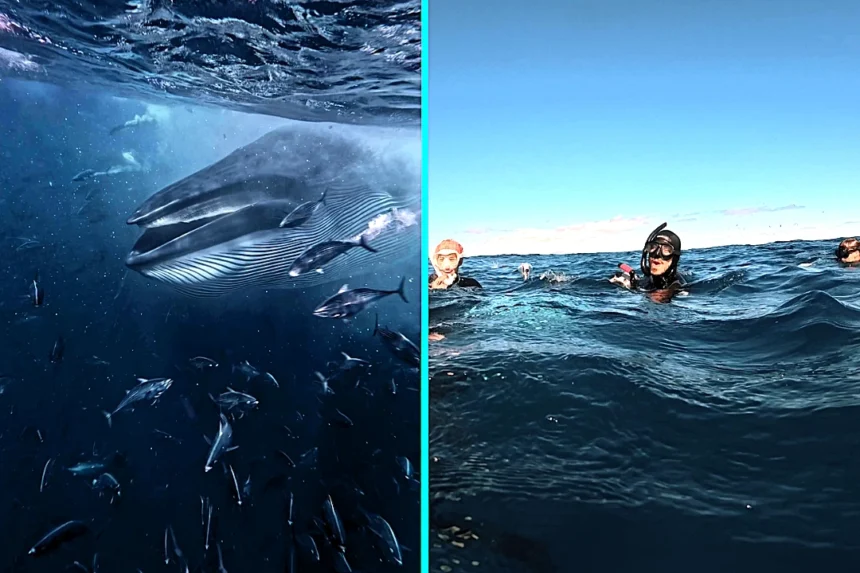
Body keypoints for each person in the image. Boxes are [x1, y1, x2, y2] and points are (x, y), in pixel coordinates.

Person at [611, 222, 685, 300]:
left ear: (675, 258)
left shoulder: (676, 287)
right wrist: (632, 285)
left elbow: (658, 301)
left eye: (666, 250)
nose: (656, 254)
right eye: (653, 247)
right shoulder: (647, 279)